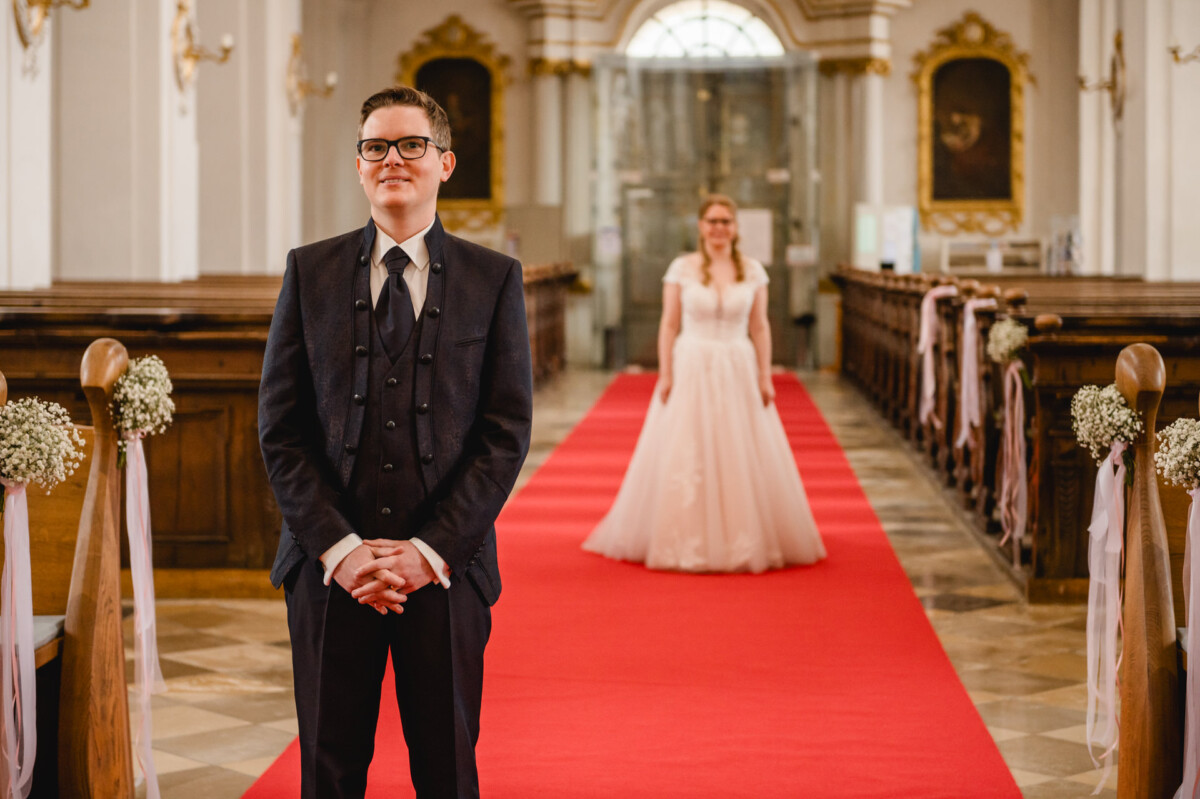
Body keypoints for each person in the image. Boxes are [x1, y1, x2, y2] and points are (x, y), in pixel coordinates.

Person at [258, 85, 532, 799]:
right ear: (358, 166)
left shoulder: (493, 278)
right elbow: (281, 430)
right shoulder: (307, 271)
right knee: (328, 766)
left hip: (446, 572)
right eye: (376, 146)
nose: (392, 159)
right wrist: (343, 550)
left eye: (411, 144)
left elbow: (505, 432)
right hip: (327, 570)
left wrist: (428, 551)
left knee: (445, 767)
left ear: (444, 162)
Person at [582, 194, 825, 573]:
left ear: (735, 227)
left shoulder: (753, 270)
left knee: (739, 448)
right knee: (688, 447)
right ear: (700, 226)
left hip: (737, 364)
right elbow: (669, 323)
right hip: (692, 363)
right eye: (712, 221)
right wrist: (665, 372)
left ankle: (743, 532)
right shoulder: (682, 267)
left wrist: (765, 375)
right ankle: (687, 533)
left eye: (725, 221)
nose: (718, 228)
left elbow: (759, 326)